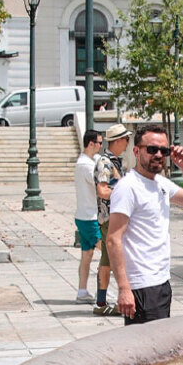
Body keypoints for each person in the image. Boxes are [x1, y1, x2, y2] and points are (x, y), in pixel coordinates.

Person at [106, 124, 183, 324]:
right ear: (137, 151)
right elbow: (113, 240)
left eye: (164, 151)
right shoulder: (128, 187)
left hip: (161, 282)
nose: (158, 155)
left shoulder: (160, 183)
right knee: (145, 349)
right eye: (152, 149)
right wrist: (124, 288)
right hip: (142, 286)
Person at [91, 123, 132, 316]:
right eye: (126, 139)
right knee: (113, 259)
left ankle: (101, 302)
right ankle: (106, 302)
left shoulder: (115, 162)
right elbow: (102, 190)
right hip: (109, 218)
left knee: (108, 260)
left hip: (114, 216)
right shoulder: (105, 163)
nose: (128, 143)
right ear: (118, 141)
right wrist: (123, 193)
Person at [73, 129, 103, 304]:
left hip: (83, 216)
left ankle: (82, 291)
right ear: (91, 143)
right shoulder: (86, 166)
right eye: (99, 142)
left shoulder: (85, 162)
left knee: (87, 255)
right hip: (90, 217)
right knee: (107, 254)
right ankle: (103, 292)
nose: (101, 146)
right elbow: (101, 185)